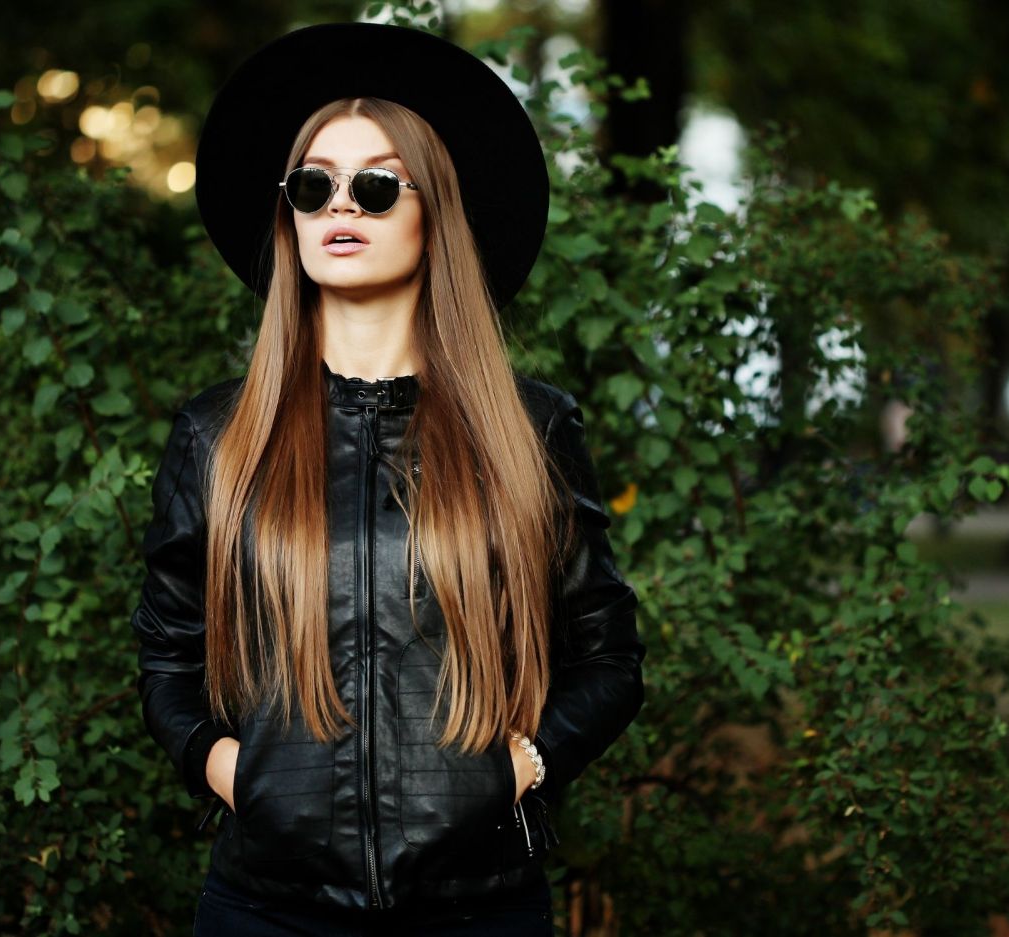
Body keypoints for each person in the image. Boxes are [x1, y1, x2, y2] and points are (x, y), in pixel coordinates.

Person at [129, 21, 646, 936]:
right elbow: (169, 653)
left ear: (432, 210)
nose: (341, 207)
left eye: (374, 185)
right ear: (287, 212)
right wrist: (236, 774)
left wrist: (516, 771)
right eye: (313, 185)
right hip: (267, 909)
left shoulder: (529, 428)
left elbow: (607, 657)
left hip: (480, 908)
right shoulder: (220, 434)